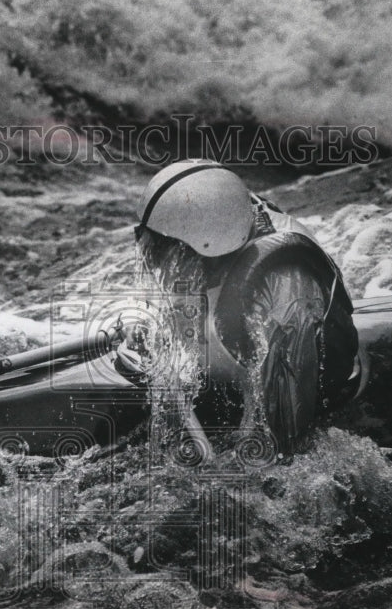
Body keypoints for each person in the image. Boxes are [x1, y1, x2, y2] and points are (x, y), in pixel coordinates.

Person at [131, 158, 360, 458]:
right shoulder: (217, 225)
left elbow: (284, 443)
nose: (160, 262)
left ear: (211, 244)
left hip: (311, 388)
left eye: (170, 252)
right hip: (236, 364)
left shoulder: (284, 292)